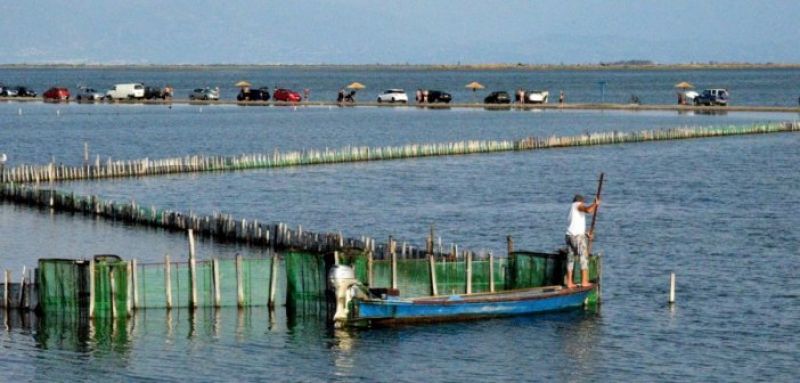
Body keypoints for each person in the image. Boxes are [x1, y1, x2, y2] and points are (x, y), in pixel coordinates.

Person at [565, 194, 600, 288]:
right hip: (577, 238)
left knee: (570, 259)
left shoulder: (571, 209)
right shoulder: (578, 205)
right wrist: (595, 204)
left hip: (569, 236)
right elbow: (588, 210)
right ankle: (584, 281)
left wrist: (586, 234)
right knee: (583, 257)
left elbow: (574, 226)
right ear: (580, 201)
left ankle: (569, 282)